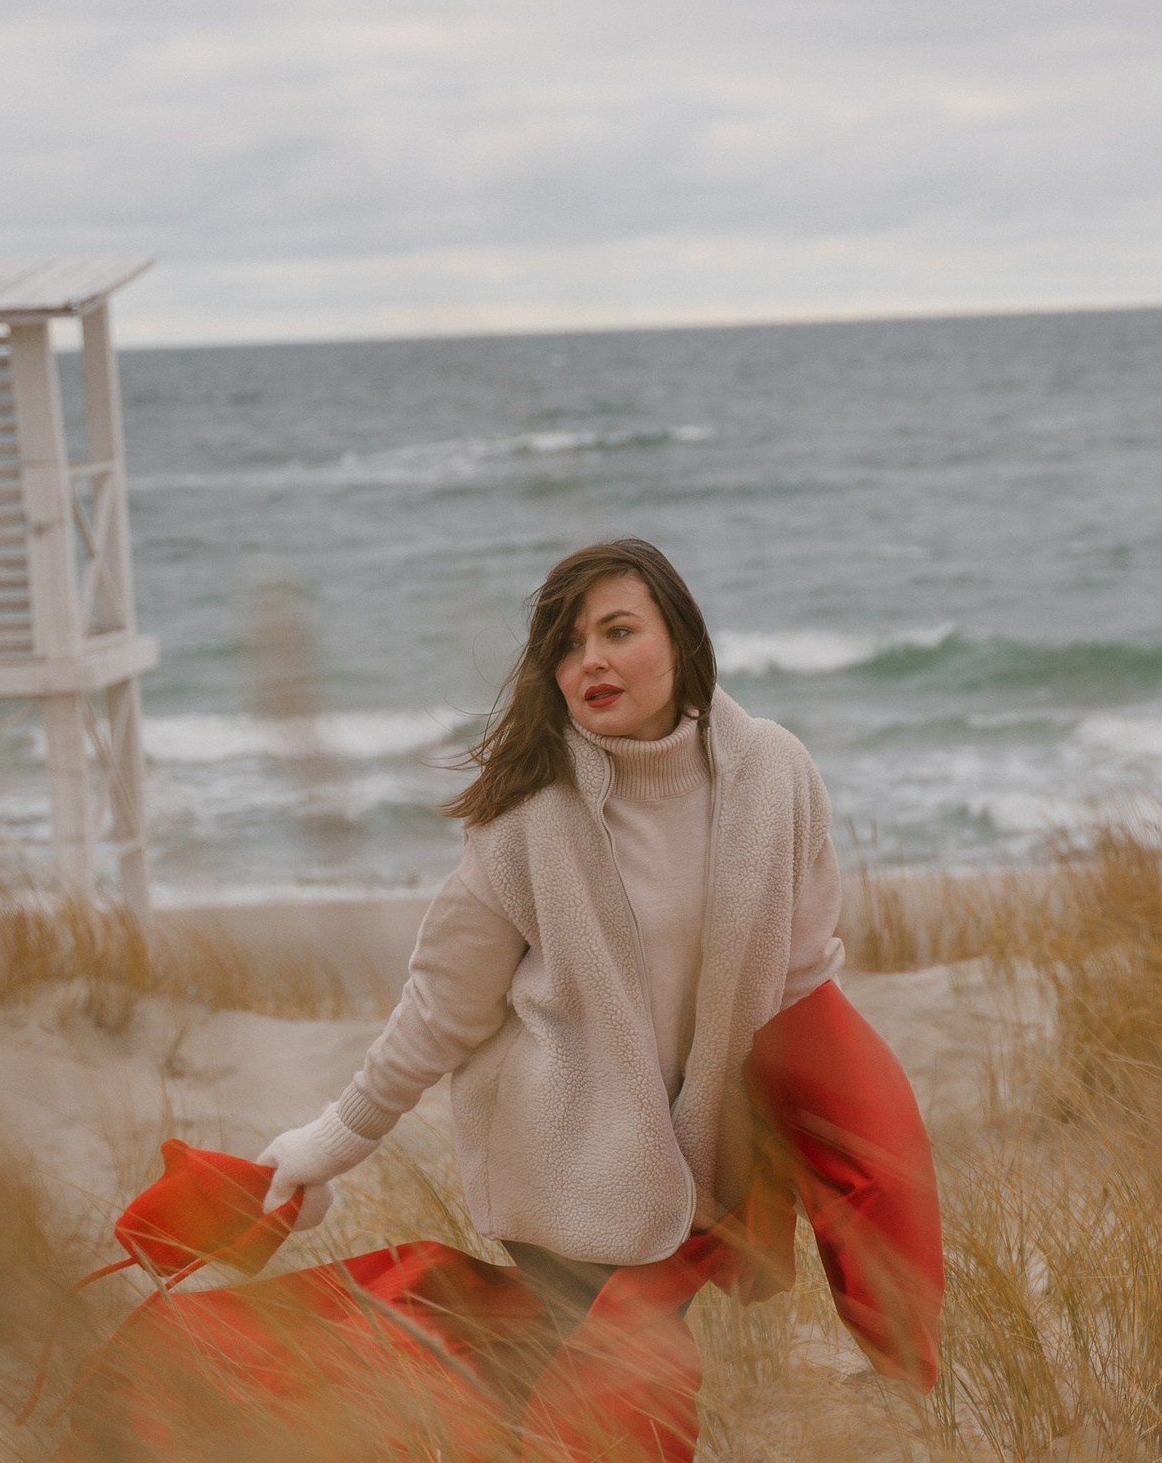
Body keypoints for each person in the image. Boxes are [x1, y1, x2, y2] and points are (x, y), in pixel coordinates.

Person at [256, 539, 847, 1344]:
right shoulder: (526, 817)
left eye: (616, 631)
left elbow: (804, 978)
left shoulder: (775, 772)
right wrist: (335, 1139)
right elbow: (442, 1006)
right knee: (636, 1393)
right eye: (567, 646)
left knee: (571, 1383)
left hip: (698, 1161)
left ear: (681, 638)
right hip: (561, 1161)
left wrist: (839, 1152)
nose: (590, 662)